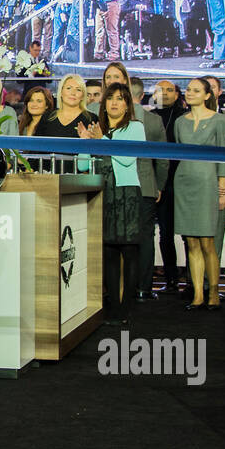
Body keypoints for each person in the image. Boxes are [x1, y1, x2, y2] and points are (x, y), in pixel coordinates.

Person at [78, 83, 144, 325]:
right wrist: (85, 143)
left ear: (127, 104)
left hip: (126, 193)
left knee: (129, 251)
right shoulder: (98, 129)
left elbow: (127, 160)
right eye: (110, 99)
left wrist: (101, 139)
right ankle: (113, 308)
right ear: (103, 103)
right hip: (103, 193)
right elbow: (84, 166)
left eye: (120, 98)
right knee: (109, 253)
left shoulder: (136, 128)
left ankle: (127, 309)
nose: (114, 103)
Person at [173, 78, 225, 309]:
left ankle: (213, 291)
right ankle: (198, 295)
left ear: (207, 95)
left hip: (208, 183)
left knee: (207, 242)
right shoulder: (180, 122)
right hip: (184, 182)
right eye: (188, 90)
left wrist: (222, 189)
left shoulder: (219, 121)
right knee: (191, 242)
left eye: (195, 90)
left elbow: (222, 155)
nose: (189, 93)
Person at [129, 77, 168, 300]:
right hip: (146, 184)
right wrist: (159, 185)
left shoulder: (115, 117)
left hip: (120, 183)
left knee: (123, 236)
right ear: (142, 95)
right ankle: (144, 287)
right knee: (145, 237)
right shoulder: (154, 121)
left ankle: (126, 286)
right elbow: (162, 159)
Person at [153, 79, 187, 294]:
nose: (164, 93)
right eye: (159, 90)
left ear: (177, 94)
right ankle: (171, 277)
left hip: (182, 181)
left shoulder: (184, 118)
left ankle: (193, 281)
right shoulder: (149, 118)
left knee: (188, 233)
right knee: (165, 234)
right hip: (160, 183)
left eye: (169, 90)